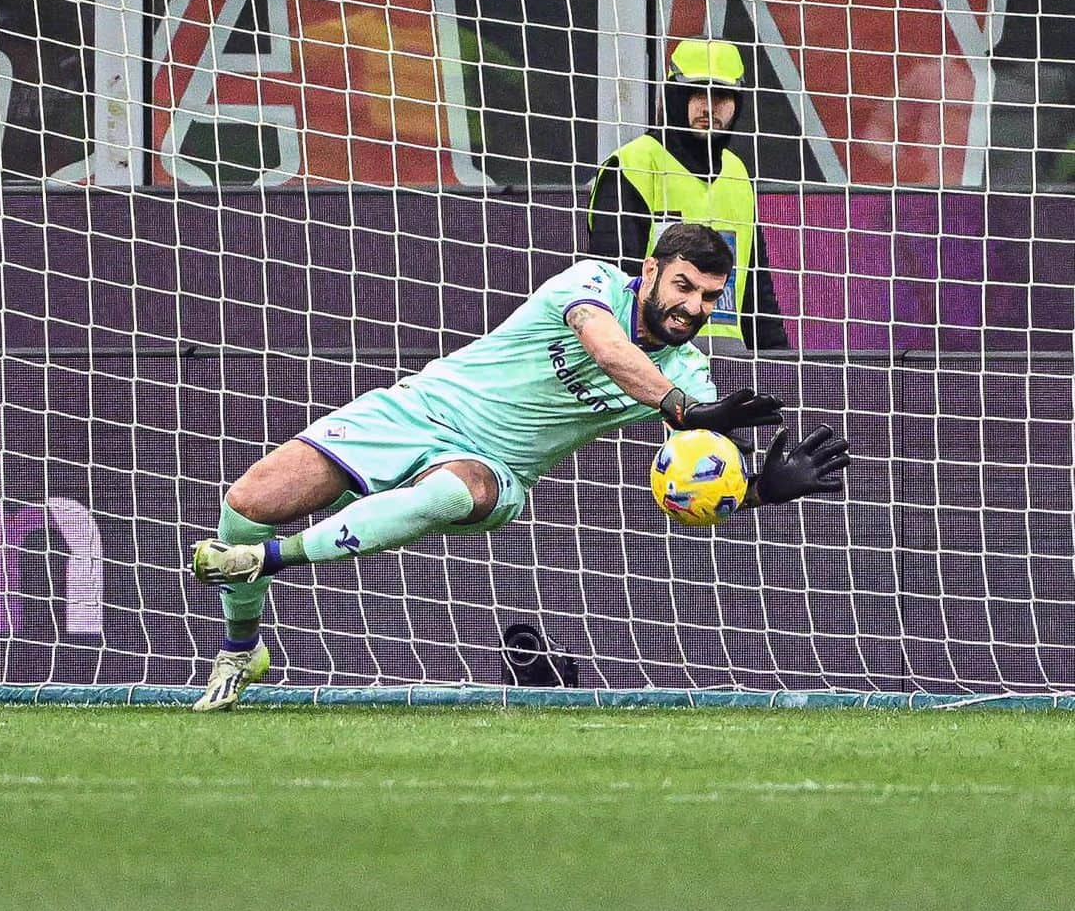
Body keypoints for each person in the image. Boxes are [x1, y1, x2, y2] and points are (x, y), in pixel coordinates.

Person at [190, 223, 848, 711]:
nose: (693, 308)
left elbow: (694, 489)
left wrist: (759, 489)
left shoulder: (692, 374)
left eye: (709, 297)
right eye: (683, 286)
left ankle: (271, 560)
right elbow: (607, 347)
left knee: (451, 491)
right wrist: (680, 409)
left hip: (496, 466)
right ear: (649, 272)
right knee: (248, 502)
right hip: (418, 409)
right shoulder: (589, 282)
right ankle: (242, 647)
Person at [588, 38, 788, 356]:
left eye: (721, 95)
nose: (709, 106)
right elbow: (611, 284)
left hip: (729, 362)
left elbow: (756, 291)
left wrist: (780, 363)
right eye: (698, 93)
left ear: (738, 102)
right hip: (648, 361)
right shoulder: (633, 164)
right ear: (675, 96)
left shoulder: (738, 174)